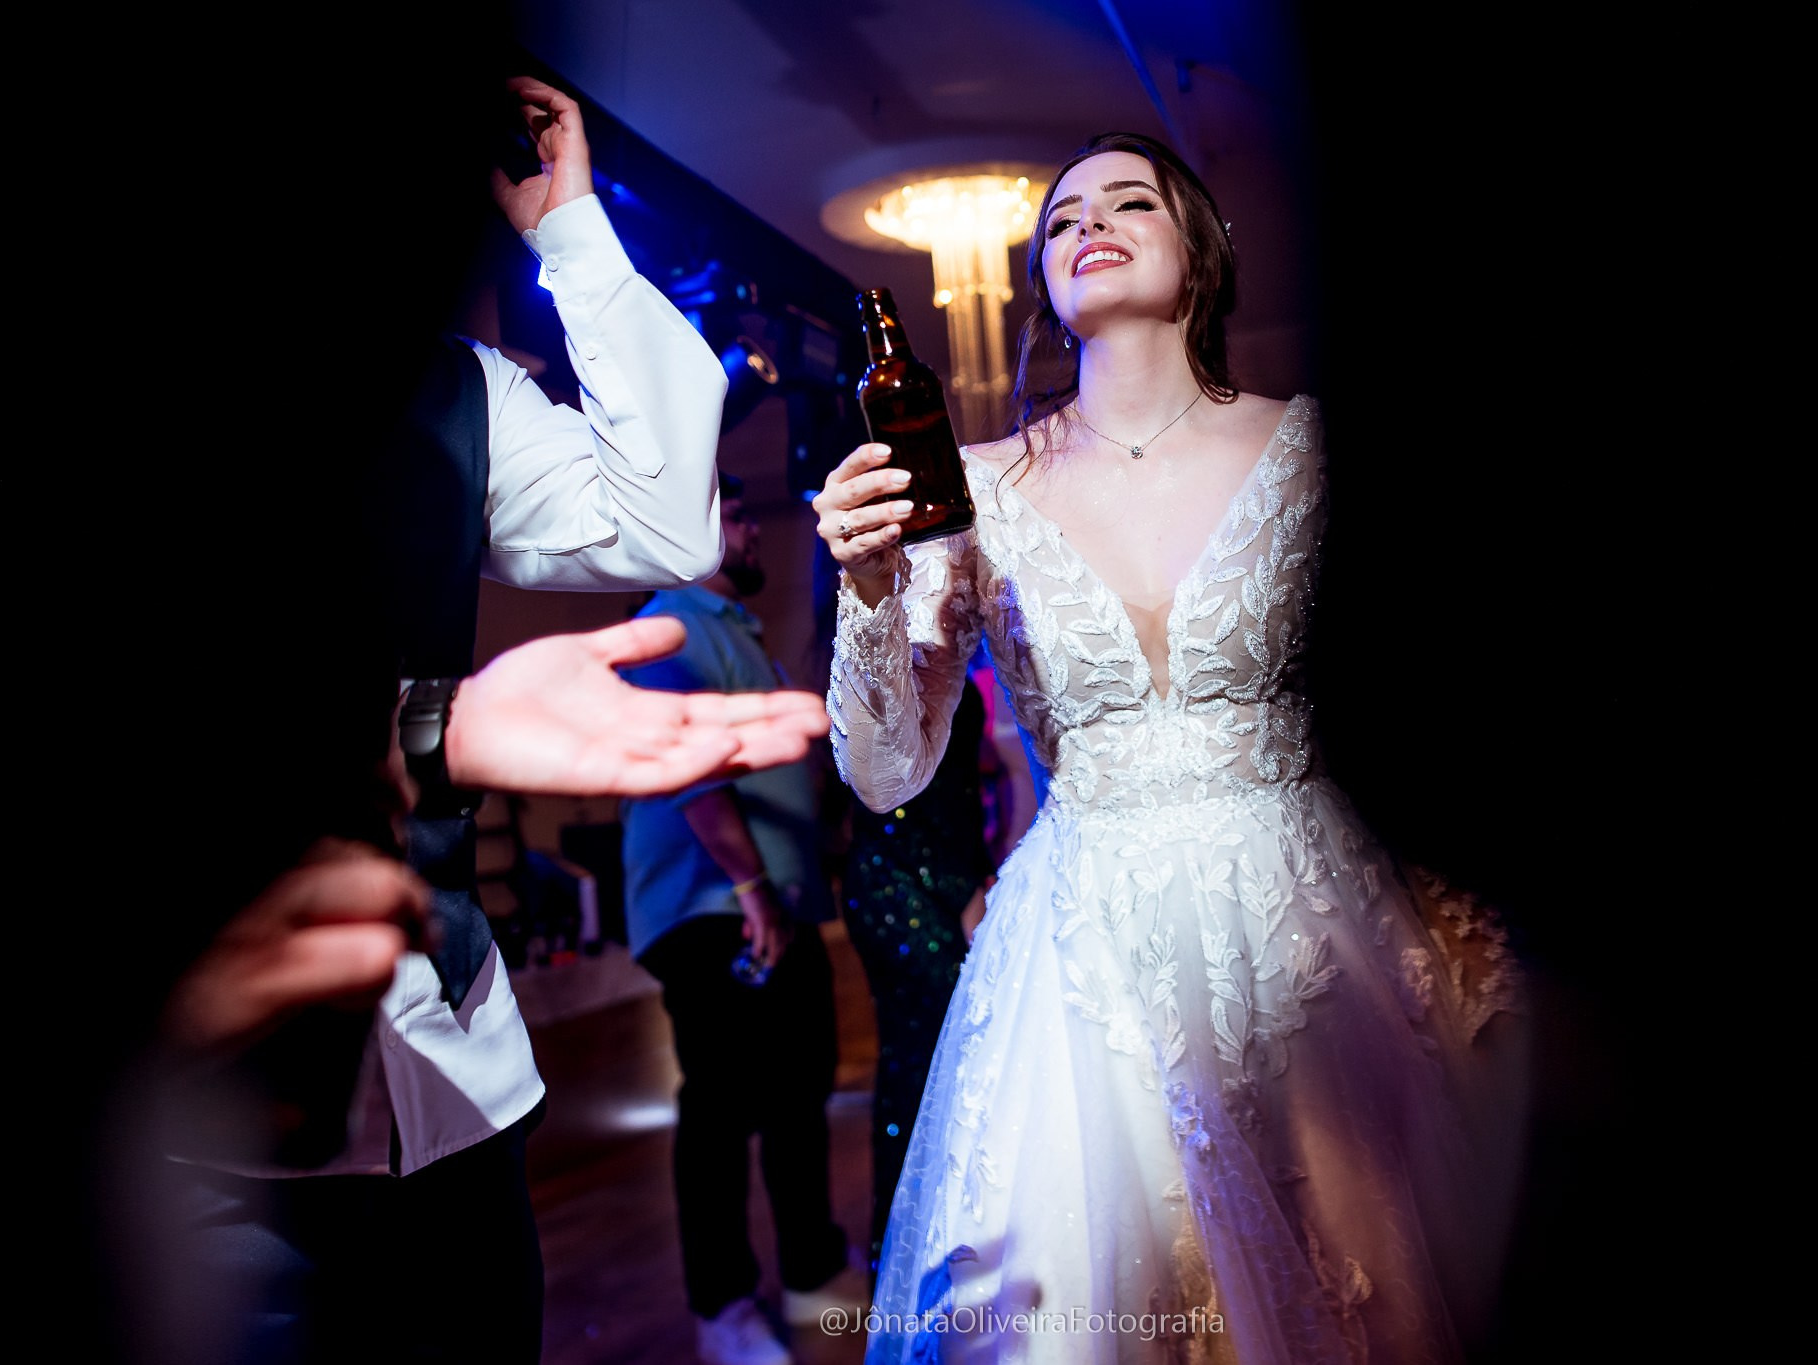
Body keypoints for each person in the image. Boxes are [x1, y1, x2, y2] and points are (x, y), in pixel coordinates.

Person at [814, 132, 1532, 1363]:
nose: (1087, 222)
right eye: (1058, 219)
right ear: (1041, 279)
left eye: (1128, 200)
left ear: (1197, 252)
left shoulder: (1313, 449)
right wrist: (872, 588)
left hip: (1311, 929)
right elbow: (888, 768)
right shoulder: (973, 485)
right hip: (1082, 957)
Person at [158, 68, 828, 1365]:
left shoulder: (460, 387)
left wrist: (570, 235)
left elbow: (669, 524)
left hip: (460, 1084)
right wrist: (439, 731)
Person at [618, 471, 866, 1365]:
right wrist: (754, 887)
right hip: (714, 909)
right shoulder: (671, 623)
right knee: (722, 1109)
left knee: (800, 1095)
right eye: (734, 516)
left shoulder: (737, 632)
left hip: (770, 907)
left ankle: (809, 1271)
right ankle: (720, 1305)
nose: (754, 531)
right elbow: (687, 768)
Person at [835, 653, 1007, 1278]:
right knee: (925, 1066)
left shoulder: (944, 636)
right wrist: (965, 889)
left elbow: (960, 790)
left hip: (941, 875)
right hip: (902, 884)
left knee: (936, 1062)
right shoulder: (881, 648)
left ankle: (925, 1245)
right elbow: (895, 796)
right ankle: (907, 1254)